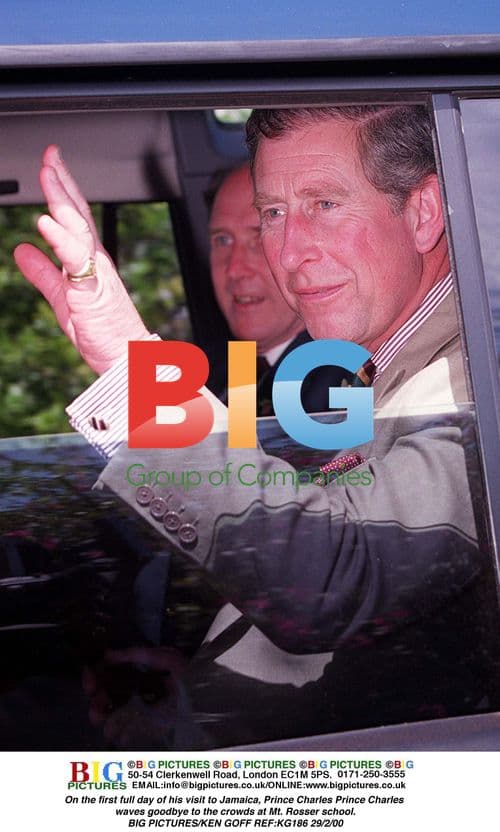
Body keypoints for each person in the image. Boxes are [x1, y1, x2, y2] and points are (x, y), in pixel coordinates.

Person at [14, 106, 499, 748]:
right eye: (273, 214)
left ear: (425, 211)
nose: (287, 254)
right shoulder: (364, 372)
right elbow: (271, 541)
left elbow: (328, 576)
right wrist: (183, 687)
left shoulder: (476, 379)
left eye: (324, 203)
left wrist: (136, 372)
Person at [208, 163, 346, 415]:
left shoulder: (341, 385)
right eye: (223, 240)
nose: (235, 269)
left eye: (260, 236)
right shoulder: (216, 374)